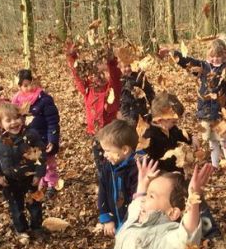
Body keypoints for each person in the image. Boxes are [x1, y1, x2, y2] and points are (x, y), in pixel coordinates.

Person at [142, 92, 221, 238]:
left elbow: (180, 135)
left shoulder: (171, 129)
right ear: (160, 120)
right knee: (170, 207)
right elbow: (147, 162)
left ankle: (210, 230)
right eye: (173, 121)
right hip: (163, 181)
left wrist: (192, 139)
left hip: (178, 176)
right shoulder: (149, 137)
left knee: (196, 197)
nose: (175, 125)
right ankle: (174, 234)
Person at [159, 39, 226, 168]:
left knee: (223, 138)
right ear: (207, 56)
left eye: (218, 56)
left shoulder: (225, 68)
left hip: (220, 111)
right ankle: (215, 165)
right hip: (205, 111)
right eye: (212, 56)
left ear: (224, 56)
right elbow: (187, 61)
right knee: (211, 139)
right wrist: (173, 53)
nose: (215, 59)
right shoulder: (203, 66)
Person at [0, 102, 47, 242]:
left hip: (31, 178)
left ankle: (37, 228)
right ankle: (21, 230)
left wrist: (38, 173)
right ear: (0, 124)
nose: (14, 123)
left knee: (34, 204)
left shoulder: (31, 135)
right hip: (9, 180)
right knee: (16, 207)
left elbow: (41, 154)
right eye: (8, 120)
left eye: (16, 118)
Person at [65, 43, 122, 176]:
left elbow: (115, 77)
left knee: (113, 161)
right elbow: (77, 76)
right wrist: (71, 57)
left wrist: (111, 61)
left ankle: (116, 180)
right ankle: (104, 180)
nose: (98, 77)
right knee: (100, 163)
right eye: (94, 74)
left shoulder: (111, 89)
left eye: (102, 73)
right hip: (96, 134)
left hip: (110, 133)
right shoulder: (88, 90)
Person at [11, 69, 61, 199]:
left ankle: (52, 183)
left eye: (31, 84)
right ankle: (40, 181)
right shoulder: (16, 101)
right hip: (29, 139)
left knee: (49, 161)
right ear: (20, 87)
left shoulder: (44, 99)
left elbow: (52, 121)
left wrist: (53, 139)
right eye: (25, 85)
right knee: (36, 161)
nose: (30, 88)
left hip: (44, 136)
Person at [95, 119, 141, 236]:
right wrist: (106, 217)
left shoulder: (136, 170)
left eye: (108, 150)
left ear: (125, 150)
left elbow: (136, 201)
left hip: (132, 223)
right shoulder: (108, 165)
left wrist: (127, 223)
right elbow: (103, 191)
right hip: (115, 217)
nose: (104, 154)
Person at [118, 59, 155, 124]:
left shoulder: (139, 78)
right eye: (124, 67)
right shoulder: (122, 81)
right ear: (120, 68)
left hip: (141, 115)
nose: (127, 69)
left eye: (129, 66)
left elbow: (149, 93)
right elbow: (123, 103)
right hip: (130, 117)